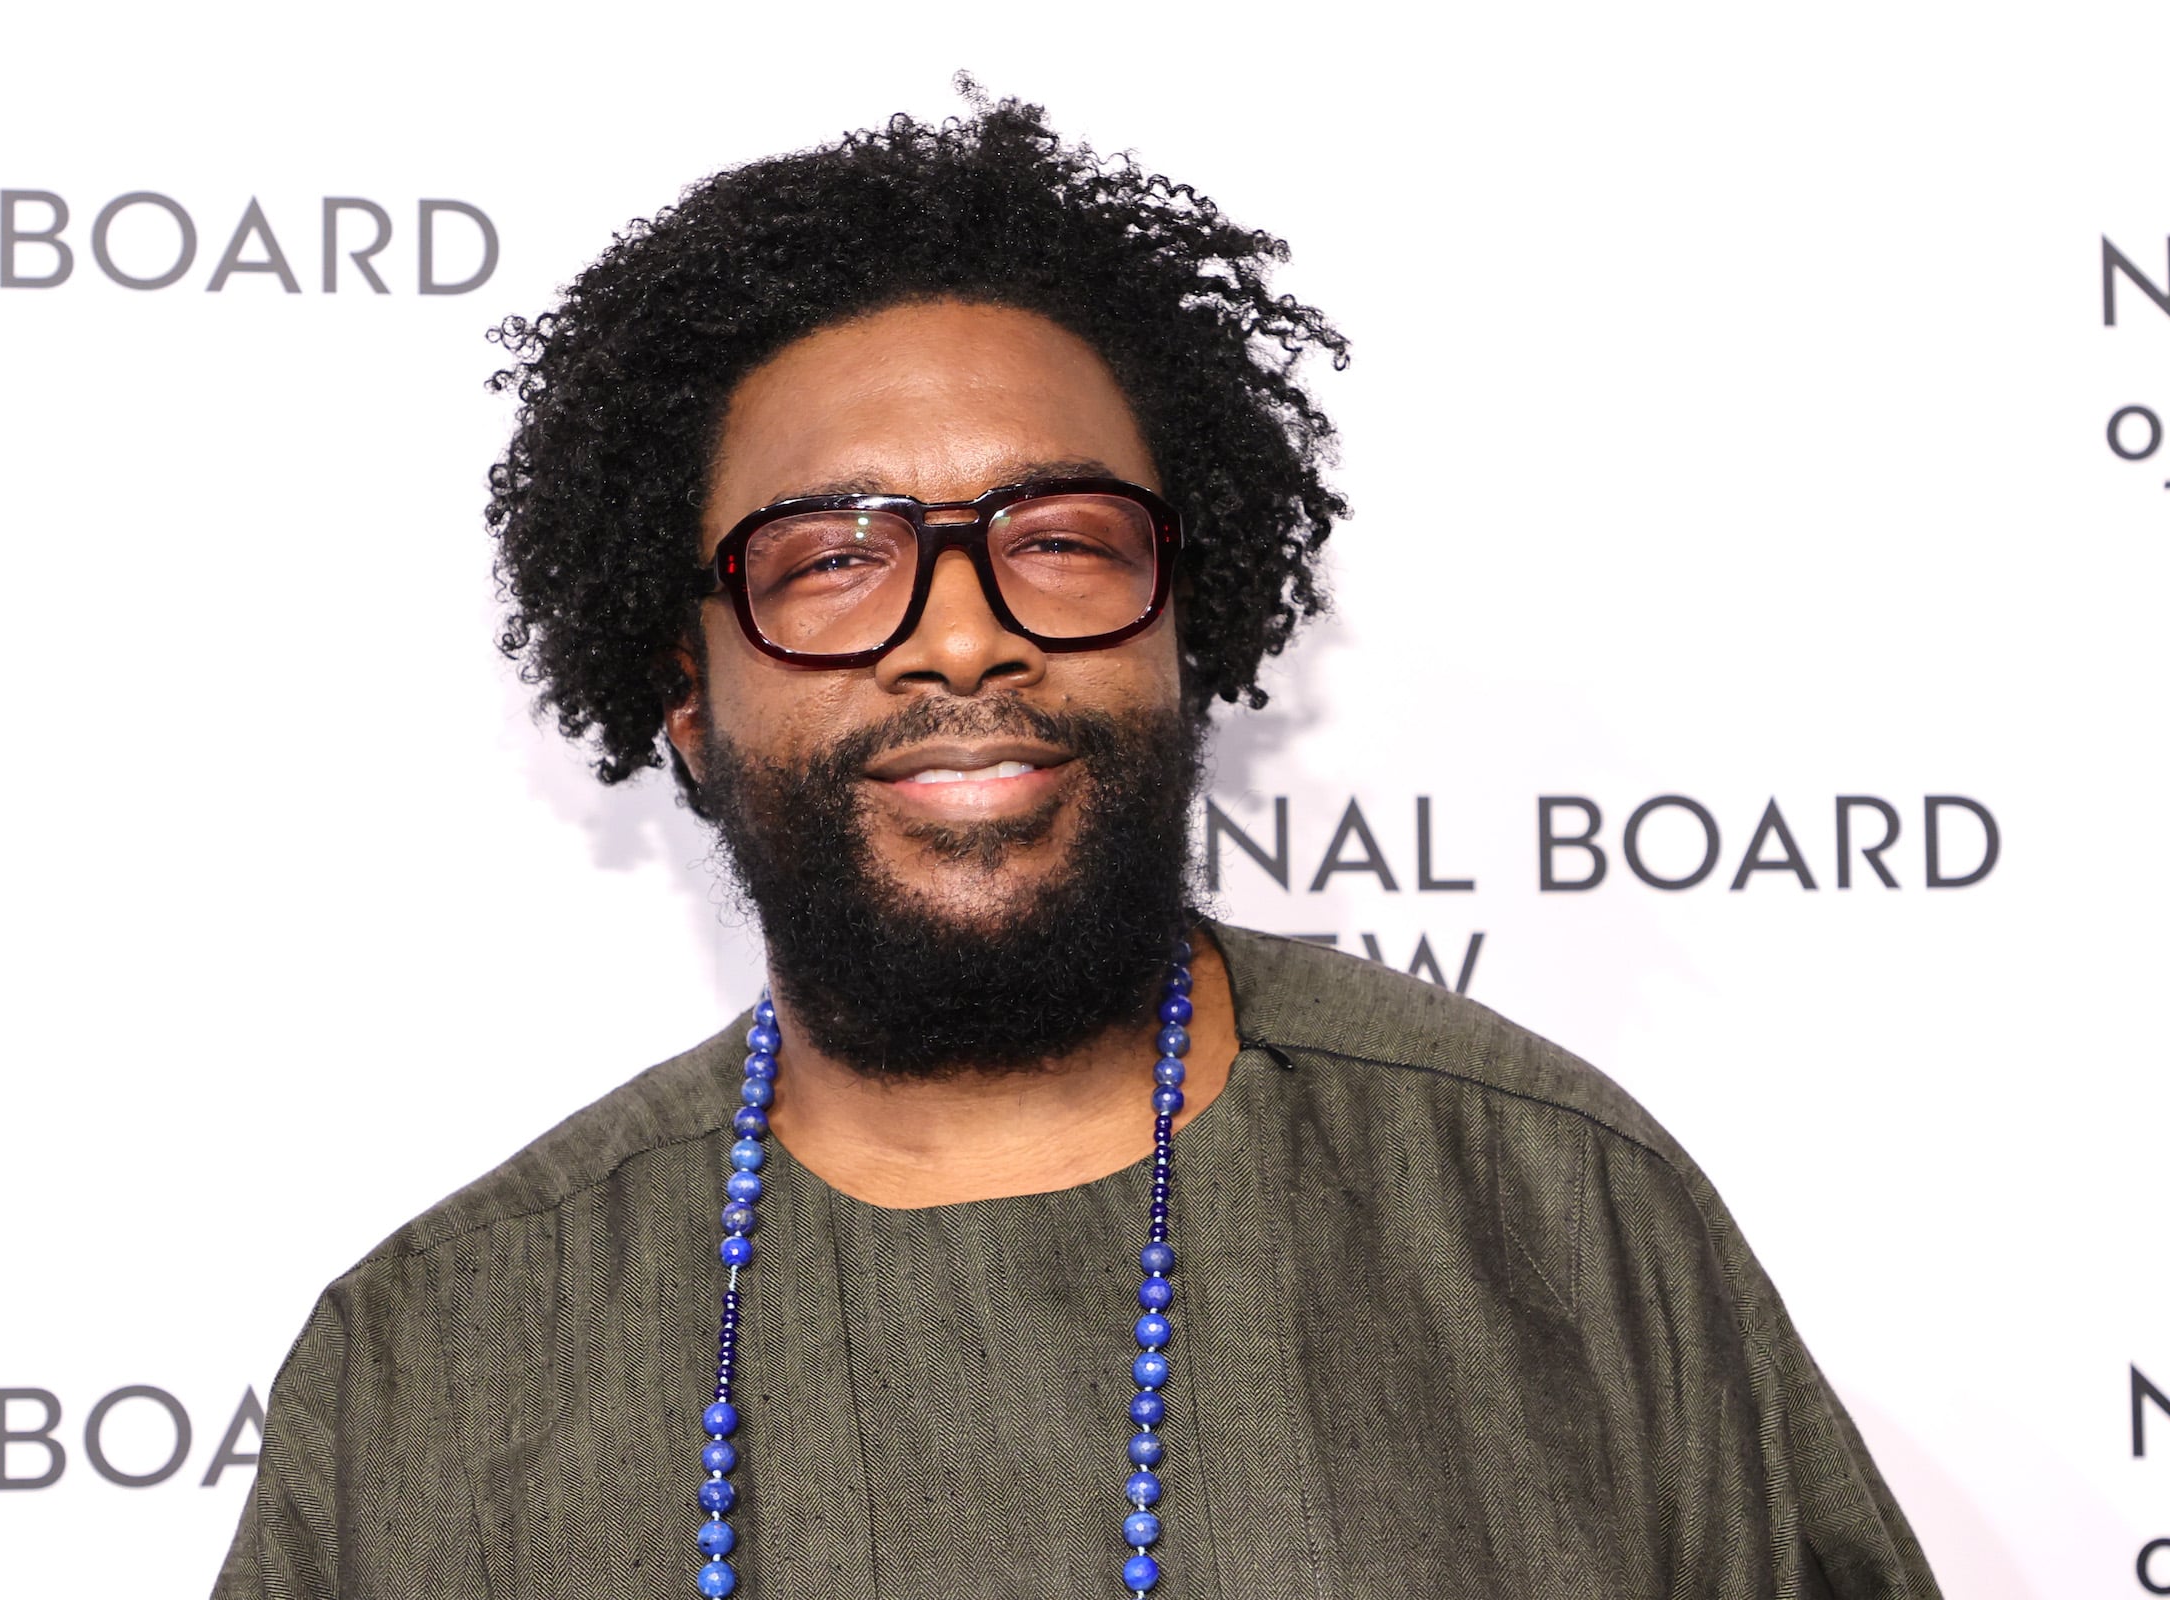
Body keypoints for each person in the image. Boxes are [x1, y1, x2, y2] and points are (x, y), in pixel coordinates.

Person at [213, 91, 1939, 1600]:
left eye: (1059, 539)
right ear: (686, 689)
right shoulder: (431, 1362)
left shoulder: (1549, 1212)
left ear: (1187, 623)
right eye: (834, 560)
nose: (964, 637)